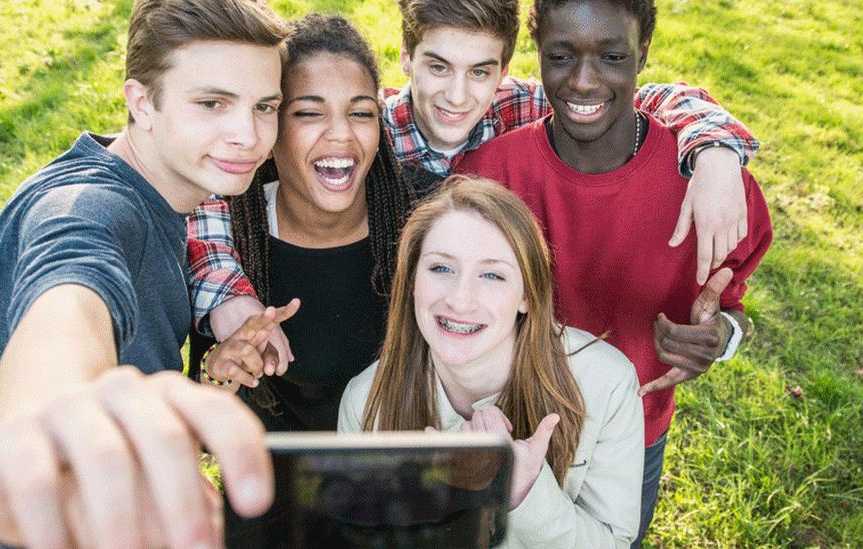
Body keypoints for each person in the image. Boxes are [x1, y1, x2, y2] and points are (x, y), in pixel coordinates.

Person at [189, 0, 763, 380]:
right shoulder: (365, 127)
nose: (458, 97)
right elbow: (219, 179)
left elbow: (642, 101)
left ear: (508, 69)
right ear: (407, 58)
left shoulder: (523, 108)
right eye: (437, 67)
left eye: (480, 72)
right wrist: (224, 292)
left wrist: (713, 151)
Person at [0, 1, 293, 547]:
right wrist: (57, 408)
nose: (249, 135)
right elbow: (67, 297)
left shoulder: (158, 194)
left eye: (264, 106)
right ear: (141, 102)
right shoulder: (90, 209)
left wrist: (212, 375)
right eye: (212, 103)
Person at [454, 0, 773, 545]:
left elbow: (733, 307)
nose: (583, 80)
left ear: (643, 53)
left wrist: (718, 338)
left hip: (634, 437)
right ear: (538, 54)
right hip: (504, 423)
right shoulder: (489, 175)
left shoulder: (711, 188)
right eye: (561, 56)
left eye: (612, 55)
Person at [339, 175, 644, 548]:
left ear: (527, 296)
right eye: (441, 268)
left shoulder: (606, 383)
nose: (461, 300)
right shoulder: (366, 401)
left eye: (492, 275)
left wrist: (524, 492)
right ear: (412, 281)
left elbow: (613, 543)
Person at [192, 14, 416, 433]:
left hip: (402, 483)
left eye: (361, 113)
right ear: (271, 126)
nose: (340, 134)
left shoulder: (419, 220)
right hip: (275, 487)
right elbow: (204, 412)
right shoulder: (230, 234)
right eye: (310, 113)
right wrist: (221, 368)